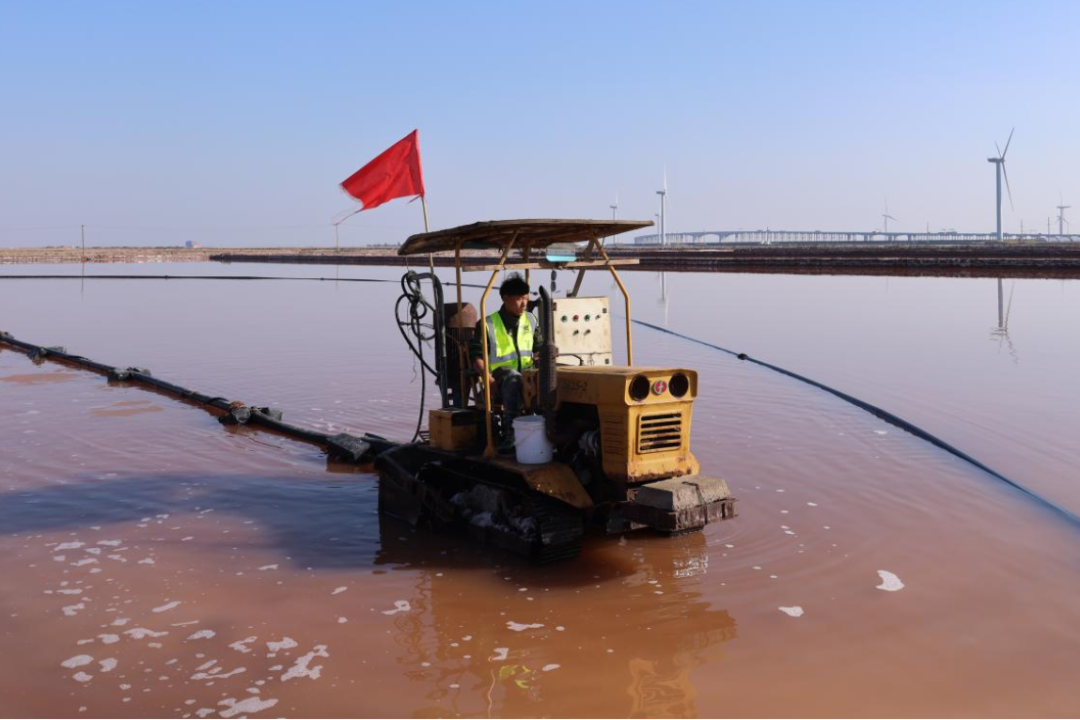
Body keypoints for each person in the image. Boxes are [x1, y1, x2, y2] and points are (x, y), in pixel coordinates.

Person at [470, 273, 541, 445]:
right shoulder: (488, 324)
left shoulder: (531, 320)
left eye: (526, 298)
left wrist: (542, 360)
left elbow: (540, 348)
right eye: (519, 299)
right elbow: (476, 357)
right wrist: (488, 379)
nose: (524, 303)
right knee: (513, 378)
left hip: (528, 375)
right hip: (500, 378)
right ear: (505, 298)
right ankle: (510, 432)